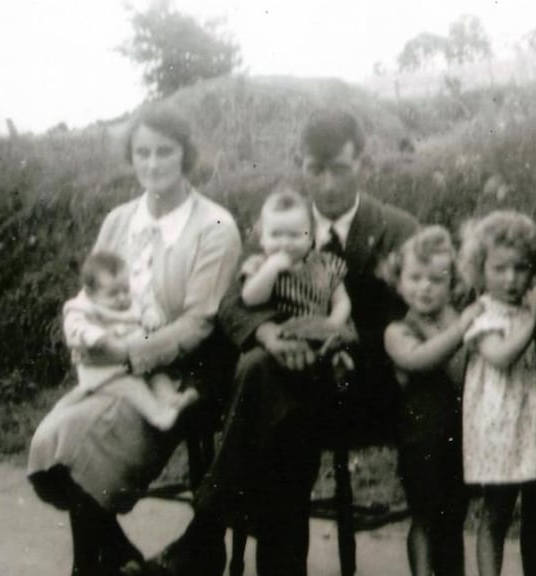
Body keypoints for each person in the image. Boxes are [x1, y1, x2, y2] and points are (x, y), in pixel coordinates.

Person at [143, 109, 418, 576]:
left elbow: (412, 317)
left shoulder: (396, 229)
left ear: (363, 165)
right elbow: (234, 302)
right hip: (288, 389)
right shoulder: (285, 223)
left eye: (340, 169)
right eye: (315, 169)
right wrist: (269, 333)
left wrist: (325, 338)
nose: (328, 184)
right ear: (300, 165)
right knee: (276, 407)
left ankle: (203, 538)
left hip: (359, 389)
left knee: (260, 380)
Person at [27, 104, 242, 576]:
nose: (152, 164)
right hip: (112, 373)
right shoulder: (118, 221)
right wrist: (89, 337)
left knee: (82, 450)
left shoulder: (215, 226)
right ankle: (121, 555)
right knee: (49, 445)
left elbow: (200, 322)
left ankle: (90, 567)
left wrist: (130, 352)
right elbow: (93, 297)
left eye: (164, 152)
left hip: (181, 373)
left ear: (186, 155)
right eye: (142, 152)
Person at [458, 210, 536, 576]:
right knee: (497, 512)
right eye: (499, 269)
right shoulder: (483, 314)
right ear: (480, 269)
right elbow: (499, 357)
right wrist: (531, 322)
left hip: (531, 420)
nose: (511, 279)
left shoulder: (528, 310)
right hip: (498, 425)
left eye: (521, 268)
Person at [382, 226, 478, 576]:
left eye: (436, 279)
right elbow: (419, 359)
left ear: (453, 285)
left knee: (453, 519)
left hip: (460, 438)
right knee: (424, 516)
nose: (425, 287)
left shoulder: (459, 319)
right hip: (420, 443)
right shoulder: (398, 331)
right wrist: (463, 329)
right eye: (415, 277)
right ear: (399, 281)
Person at [56, 251, 200, 430]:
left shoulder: (132, 295)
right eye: (113, 294)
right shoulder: (81, 307)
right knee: (134, 387)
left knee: (158, 375)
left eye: (125, 290)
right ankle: (159, 417)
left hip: (137, 359)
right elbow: (75, 328)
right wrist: (95, 337)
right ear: (89, 292)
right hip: (107, 370)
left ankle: (171, 401)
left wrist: (151, 315)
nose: (123, 297)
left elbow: (148, 303)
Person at [239, 186, 354, 369]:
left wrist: (333, 324)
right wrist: (271, 269)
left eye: (294, 235)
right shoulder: (258, 265)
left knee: (343, 356)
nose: (285, 242)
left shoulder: (326, 263)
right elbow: (250, 299)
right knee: (256, 365)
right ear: (262, 239)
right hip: (282, 335)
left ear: (310, 239)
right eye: (275, 234)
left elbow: (341, 300)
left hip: (322, 330)